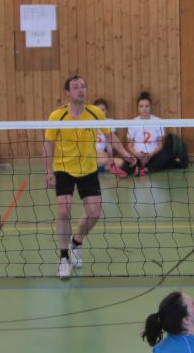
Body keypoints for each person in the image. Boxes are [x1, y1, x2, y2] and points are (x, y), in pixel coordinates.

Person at [43, 75, 134, 279]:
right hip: (64, 169)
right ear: (67, 92)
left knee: (94, 213)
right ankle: (64, 258)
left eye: (83, 86)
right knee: (64, 211)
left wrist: (125, 153)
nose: (81, 90)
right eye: (76, 87)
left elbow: (110, 136)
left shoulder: (94, 113)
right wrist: (48, 171)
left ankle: (76, 243)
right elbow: (48, 144)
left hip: (88, 168)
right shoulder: (57, 116)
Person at [126, 91, 176, 176]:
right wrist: (137, 154)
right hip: (137, 155)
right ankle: (142, 166)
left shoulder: (159, 121)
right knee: (125, 157)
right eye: (141, 106)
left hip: (153, 156)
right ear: (138, 108)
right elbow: (129, 145)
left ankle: (145, 169)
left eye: (147, 106)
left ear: (150, 107)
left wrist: (149, 155)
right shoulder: (132, 123)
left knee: (167, 154)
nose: (144, 109)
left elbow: (160, 145)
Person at [92, 98, 134, 178]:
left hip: (103, 157)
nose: (101, 112)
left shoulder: (109, 122)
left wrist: (110, 157)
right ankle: (105, 167)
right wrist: (97, 153)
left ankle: (103, 167)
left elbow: (109, 143)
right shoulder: (89, 123)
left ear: (106, 111)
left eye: (103, 110)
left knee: (120, 162)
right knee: (101, 159)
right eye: (98, 110)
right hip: (89, 155)